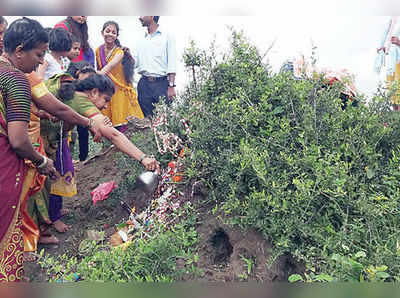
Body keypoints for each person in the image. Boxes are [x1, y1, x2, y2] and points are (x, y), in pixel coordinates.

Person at [0, 17, 57, 282]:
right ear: (19, 50)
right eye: (38, 54)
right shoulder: (16, 79)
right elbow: (19, 140)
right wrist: (41, 160)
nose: (39, 62)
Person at [45, 73, 160, 174]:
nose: (105, 106)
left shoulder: (73, 93)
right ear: (94, 92)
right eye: (106, 100)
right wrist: (143, 158)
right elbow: (114, 135)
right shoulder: (81, 100)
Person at [55, 16, 95, 162]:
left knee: (82, 127)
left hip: (79, 91)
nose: (77, 51)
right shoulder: (59, 63)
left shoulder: (86, 51)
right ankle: (66, 158)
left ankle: (82, 158)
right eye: (74, 48)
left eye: (79, 48)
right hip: (63, 97)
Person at [96, 21, 144, 131]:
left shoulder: (120, 52)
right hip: (106, 92)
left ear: (117, 36)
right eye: (107, 31)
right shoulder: (98, 51)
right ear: (102, 33)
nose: (110, 34)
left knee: (124, 128)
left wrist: (90, 74)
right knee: (107, 128)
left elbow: (107, 68)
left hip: (120, 93)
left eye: (113, 32)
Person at [135, 16, 177, 117]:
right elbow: (135, 62)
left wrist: (171, 86)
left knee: (164, 119)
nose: (139, 17)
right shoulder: (141, 38)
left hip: (161, 85)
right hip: (144, 85)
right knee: (146, 120)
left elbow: (172, 62)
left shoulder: (167, 35)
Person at [376, 17, 400, 111]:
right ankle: (395, 121)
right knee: (392, 94)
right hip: (392, 62)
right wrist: (384, 48)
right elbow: (389, 40)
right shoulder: (394, 20)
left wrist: (398, 42)